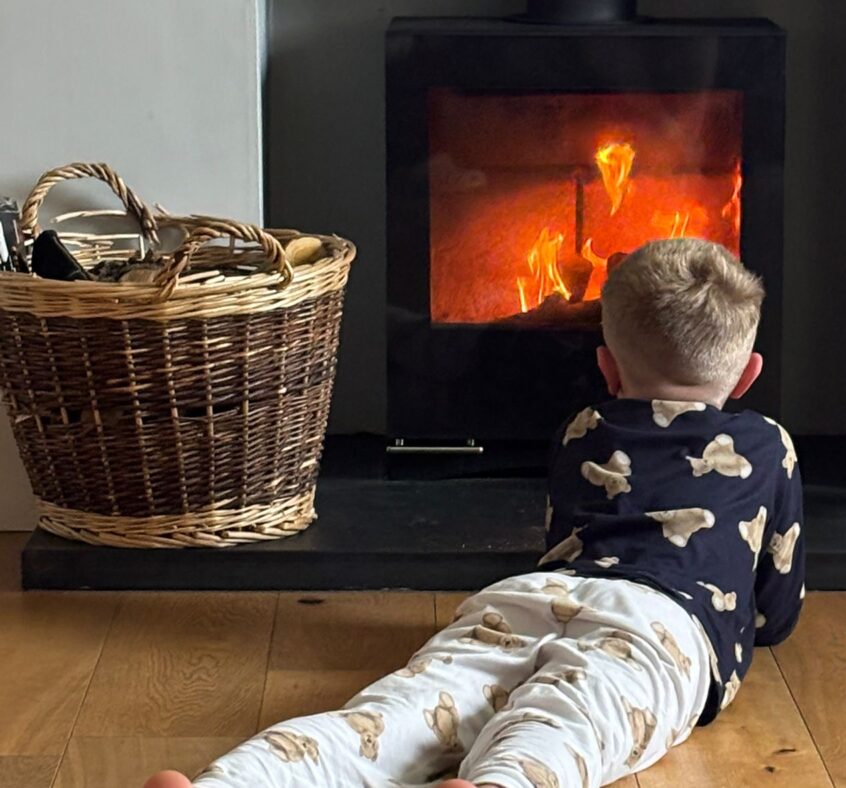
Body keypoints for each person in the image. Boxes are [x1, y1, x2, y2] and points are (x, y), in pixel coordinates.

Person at [145, 237, 804, 788]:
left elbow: (563, 535)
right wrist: (752, 631)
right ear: (747, 375)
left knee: (401, 712)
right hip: (663, 625)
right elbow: (774, 601)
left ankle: (233, 781)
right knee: (573, 717)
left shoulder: (585, 426)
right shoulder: (766, 443)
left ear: (607, 367)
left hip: (537, 594)